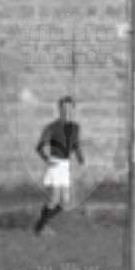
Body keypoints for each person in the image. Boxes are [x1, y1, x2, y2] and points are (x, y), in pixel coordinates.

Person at [34, 96, 83, 234]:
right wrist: (46, 159)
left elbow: (75, 145)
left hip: (65, 165)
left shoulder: (75, 127)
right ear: (59, 109)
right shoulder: (52, 127)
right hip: (55, 164)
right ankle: (40, 227)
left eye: (70, 109)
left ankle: (41, 223)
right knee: (54, 199)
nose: (67, 112)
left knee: (66, 201)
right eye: (64, 109)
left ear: (73, 110)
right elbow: (39, 147)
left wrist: (80, 158)